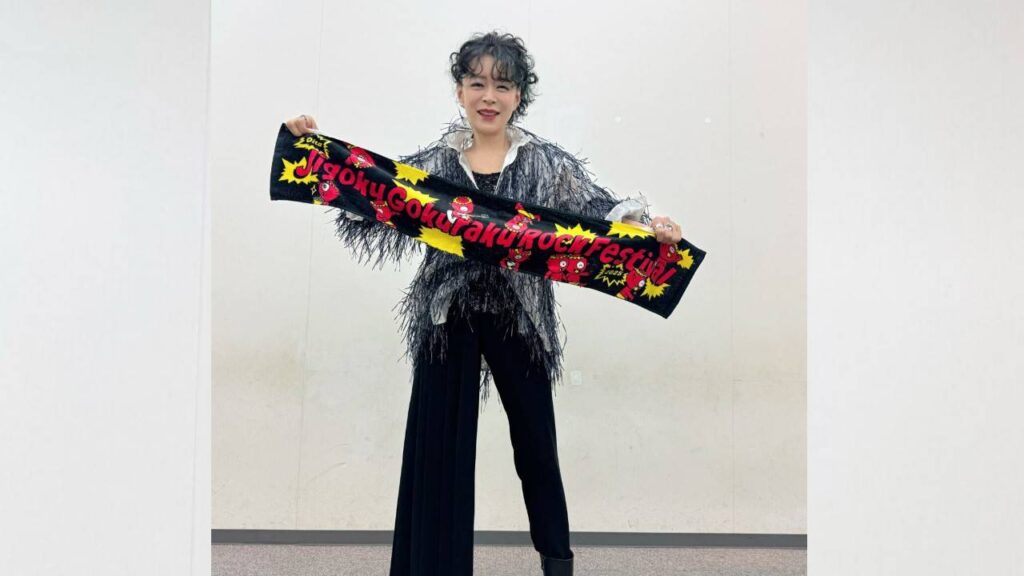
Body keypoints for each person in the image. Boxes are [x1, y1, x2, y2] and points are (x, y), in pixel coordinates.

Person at [285, 31, 683, 576]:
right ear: (459, 91)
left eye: (502, 85)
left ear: (519, 95)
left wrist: (651, 224)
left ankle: (557, 562)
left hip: (520, 317)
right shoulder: (435, 164)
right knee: (438, 447)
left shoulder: (546, 163)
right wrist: (310, 146)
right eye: (476, 83)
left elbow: (603, 210)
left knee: (537, 446)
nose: (488, 96)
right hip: (447, 314)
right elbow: (370, 193)